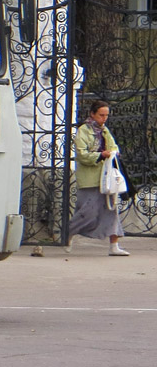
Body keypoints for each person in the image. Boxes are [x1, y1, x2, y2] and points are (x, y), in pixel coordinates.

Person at [67, 99, 129, 256]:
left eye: (106, 115)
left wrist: (113, 152)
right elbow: (81, 154)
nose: (104, 118)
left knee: (111, 209)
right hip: (90, 179)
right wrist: (101, 155)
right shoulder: (84, 131)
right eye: (101, 115)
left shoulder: (105, 130)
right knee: (86, 212)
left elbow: (113, 146)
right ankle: (66, 235)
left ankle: (114, 246)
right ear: (92, 114)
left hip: (106, 178)